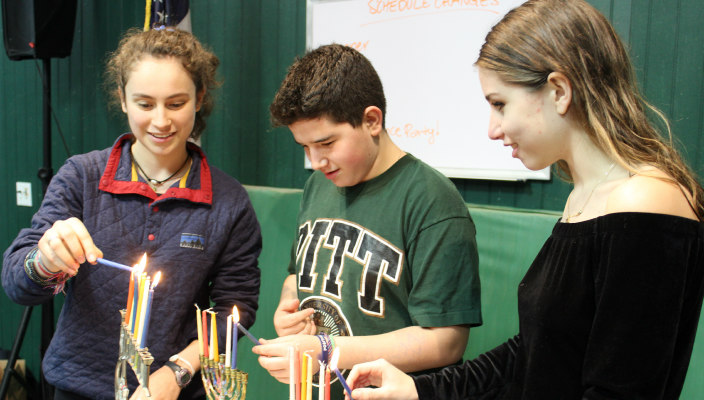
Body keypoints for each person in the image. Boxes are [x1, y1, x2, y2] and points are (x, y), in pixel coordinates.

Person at [344, 0, 704, 399]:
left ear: (559, 91)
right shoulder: (584, 199)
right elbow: (534, 353)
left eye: (500, 104)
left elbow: (620, 390)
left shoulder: (645, 201)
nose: (493, 130)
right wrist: (418, 390)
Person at [2, 28, 262, 400]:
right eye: (144, 104)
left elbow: (234, 312)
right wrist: (44, 260)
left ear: (199, 98)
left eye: (175, 104)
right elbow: (17, 283)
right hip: (78, 387)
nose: (160, 122)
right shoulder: (81, 176)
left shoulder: (229, 201)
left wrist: (176, 373)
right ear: (122, 99)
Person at [251, 44, 482, 399]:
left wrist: (326, 352)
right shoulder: (318, 185)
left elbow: (446, 341)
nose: (315, 161)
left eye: (326, 142)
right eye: (304, 147)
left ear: (372, 121)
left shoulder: (431, 200)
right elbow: (298, 274)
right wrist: (290, 306)